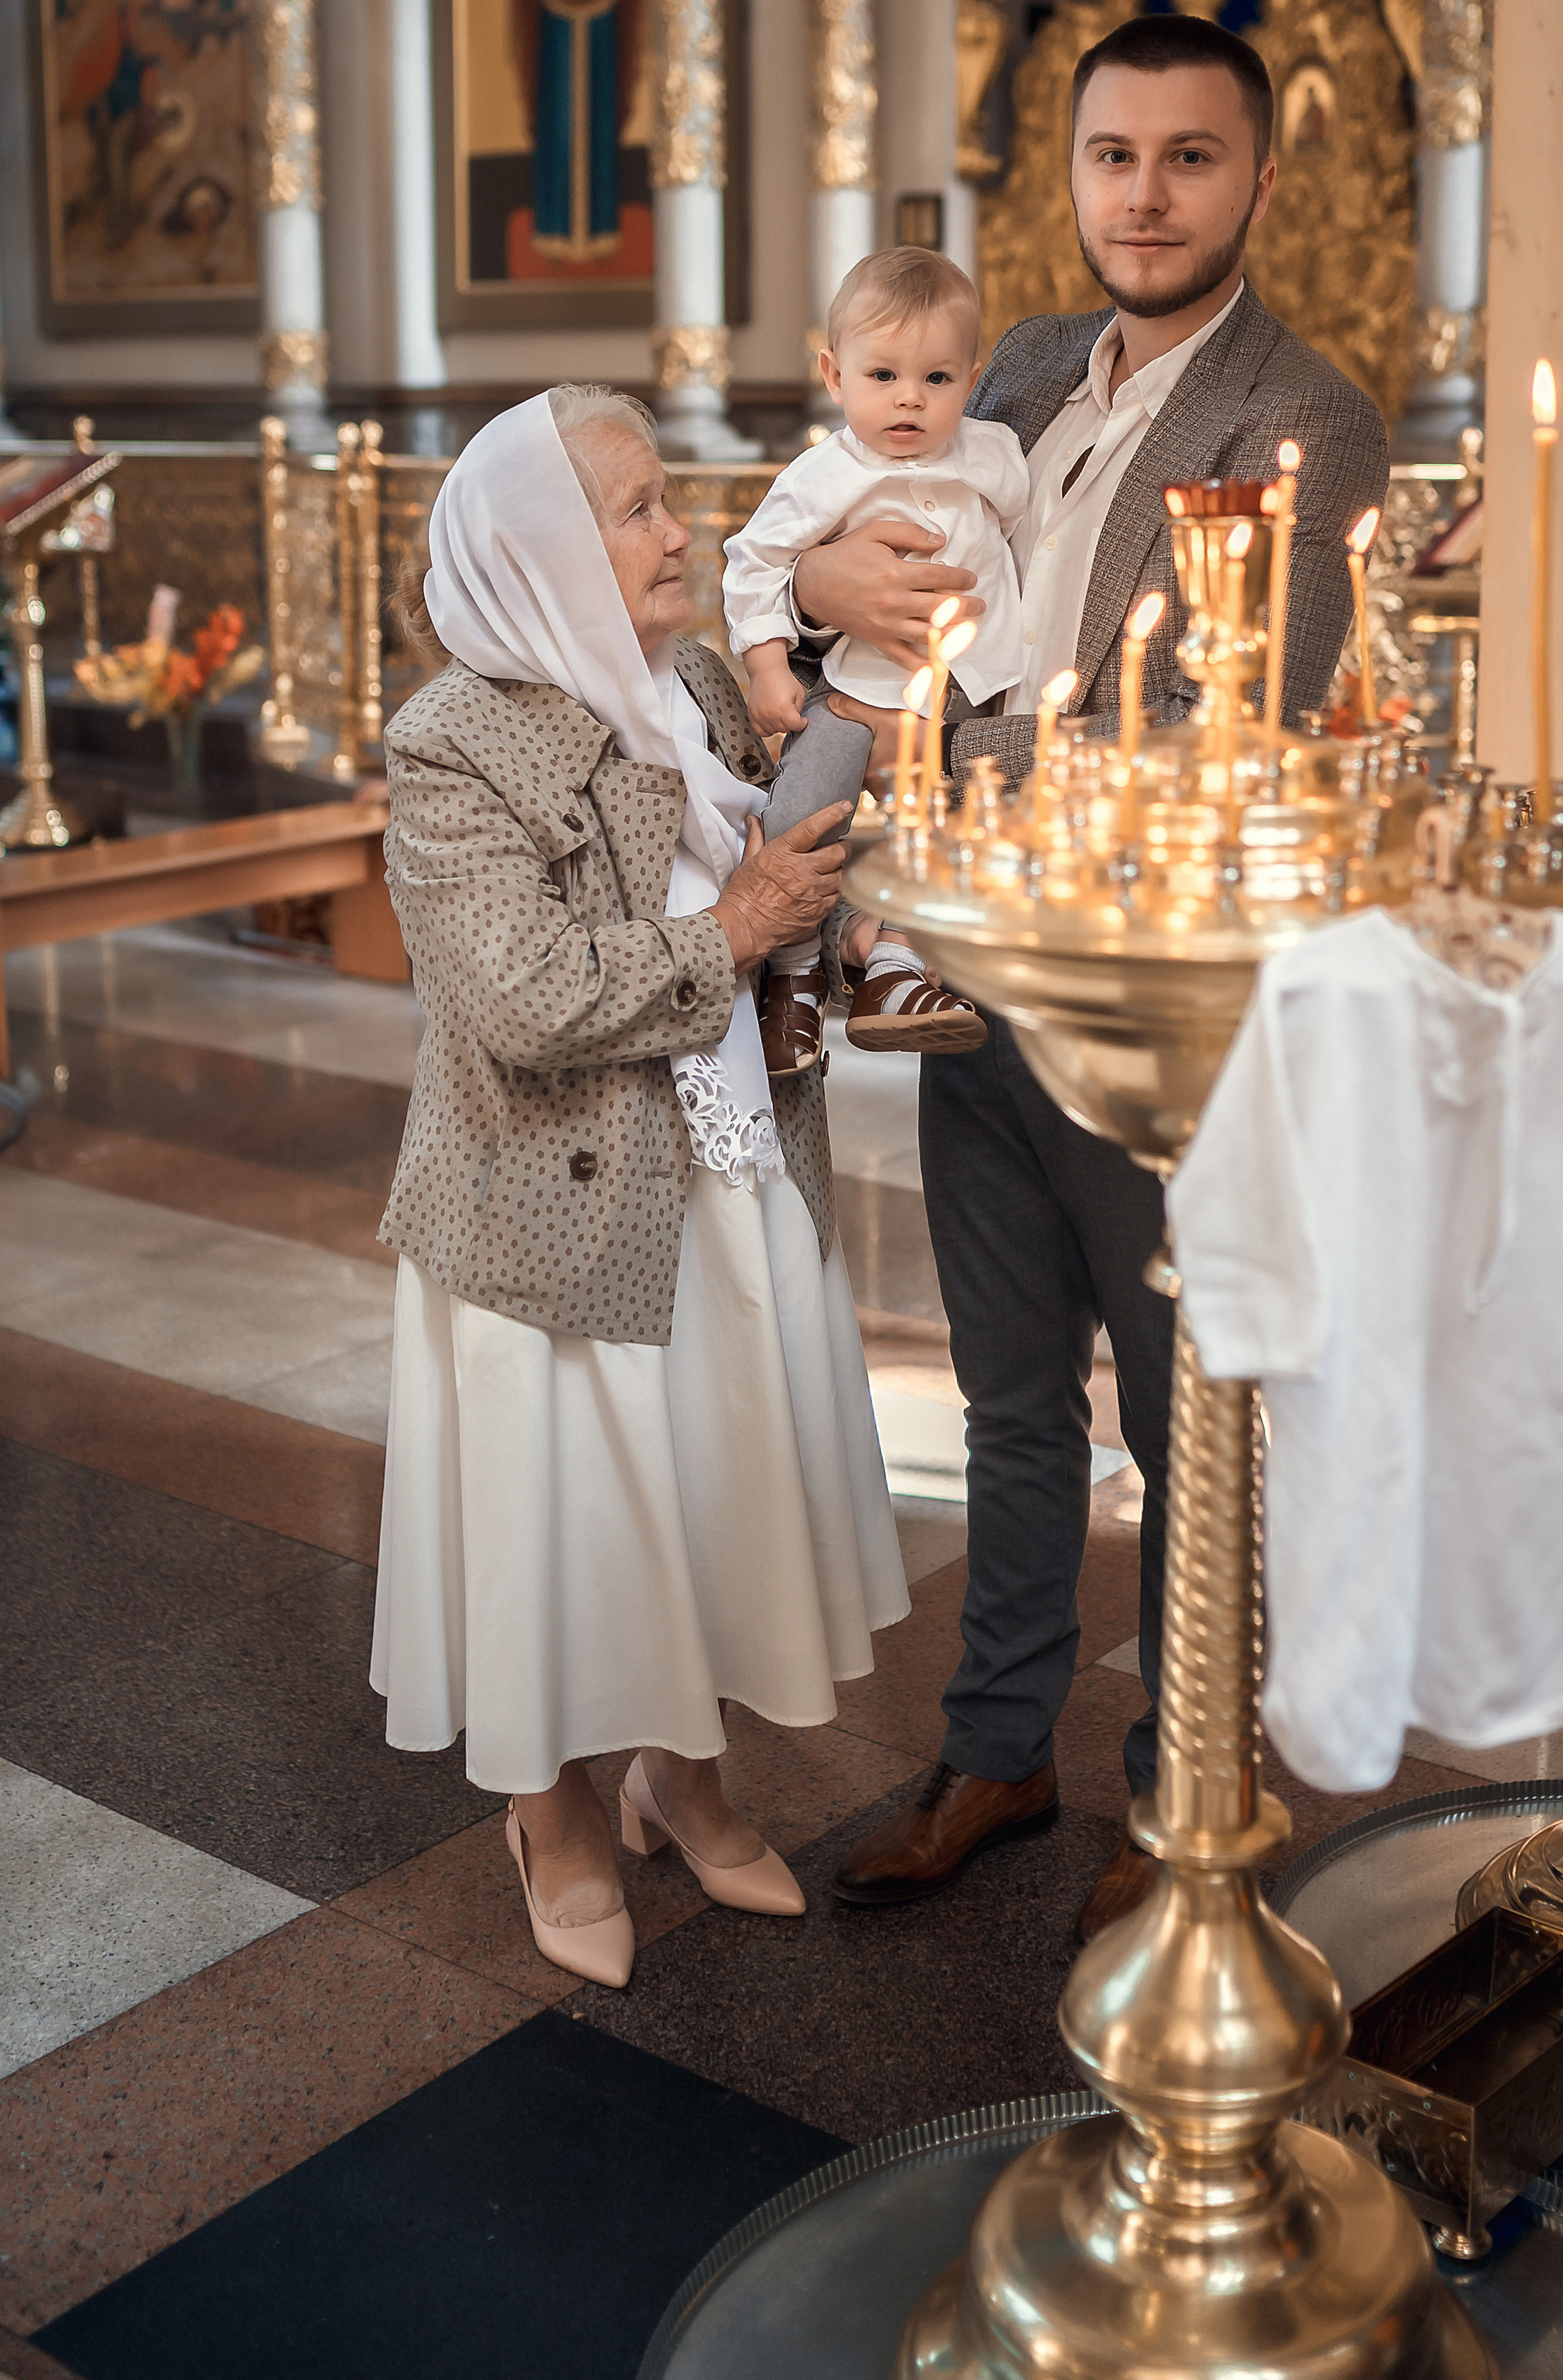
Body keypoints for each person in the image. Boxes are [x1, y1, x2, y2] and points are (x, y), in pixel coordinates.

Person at [803, 14, 1390, 1941]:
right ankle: (997, 1748)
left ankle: (1190, 1786)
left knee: (1181, 1407)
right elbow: (863, 541)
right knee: (1003, 1398)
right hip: (971, 980)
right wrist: (819, 599)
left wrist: (967, 815)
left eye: (1189, 157)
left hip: (1151, 1009)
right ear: (1069, 178)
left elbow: (1242, 734)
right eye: (1113, 156)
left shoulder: (1301, 415)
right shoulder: (1023, 367)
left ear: (1259, 180)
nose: (1145, 195)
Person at [370, 382, 909, 1989]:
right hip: (553, 1208)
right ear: (541, 548)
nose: (680, 530)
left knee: (722, 1483)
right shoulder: (450, 739)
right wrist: (736, 930)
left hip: (733, 1159)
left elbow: (768, 843)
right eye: (636, 508)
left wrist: (840, 916)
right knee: (574, 1514)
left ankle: (683, 1771)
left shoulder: (683, 674)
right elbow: (519, 993)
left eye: (667, 499)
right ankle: (553, 1810)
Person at [722, 247, 1026, 1074]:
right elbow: (751, 565)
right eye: (882, 375)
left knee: (945, 834)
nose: (908, 399)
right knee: (807, 814)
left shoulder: (995, 455)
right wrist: (769, 668)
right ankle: (790, 980)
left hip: (975, 691)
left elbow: (1029, 540)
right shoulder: (825, 475)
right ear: (834, 374)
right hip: (858, 687)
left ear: (972, 375)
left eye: (936, 379)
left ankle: (895, 969)